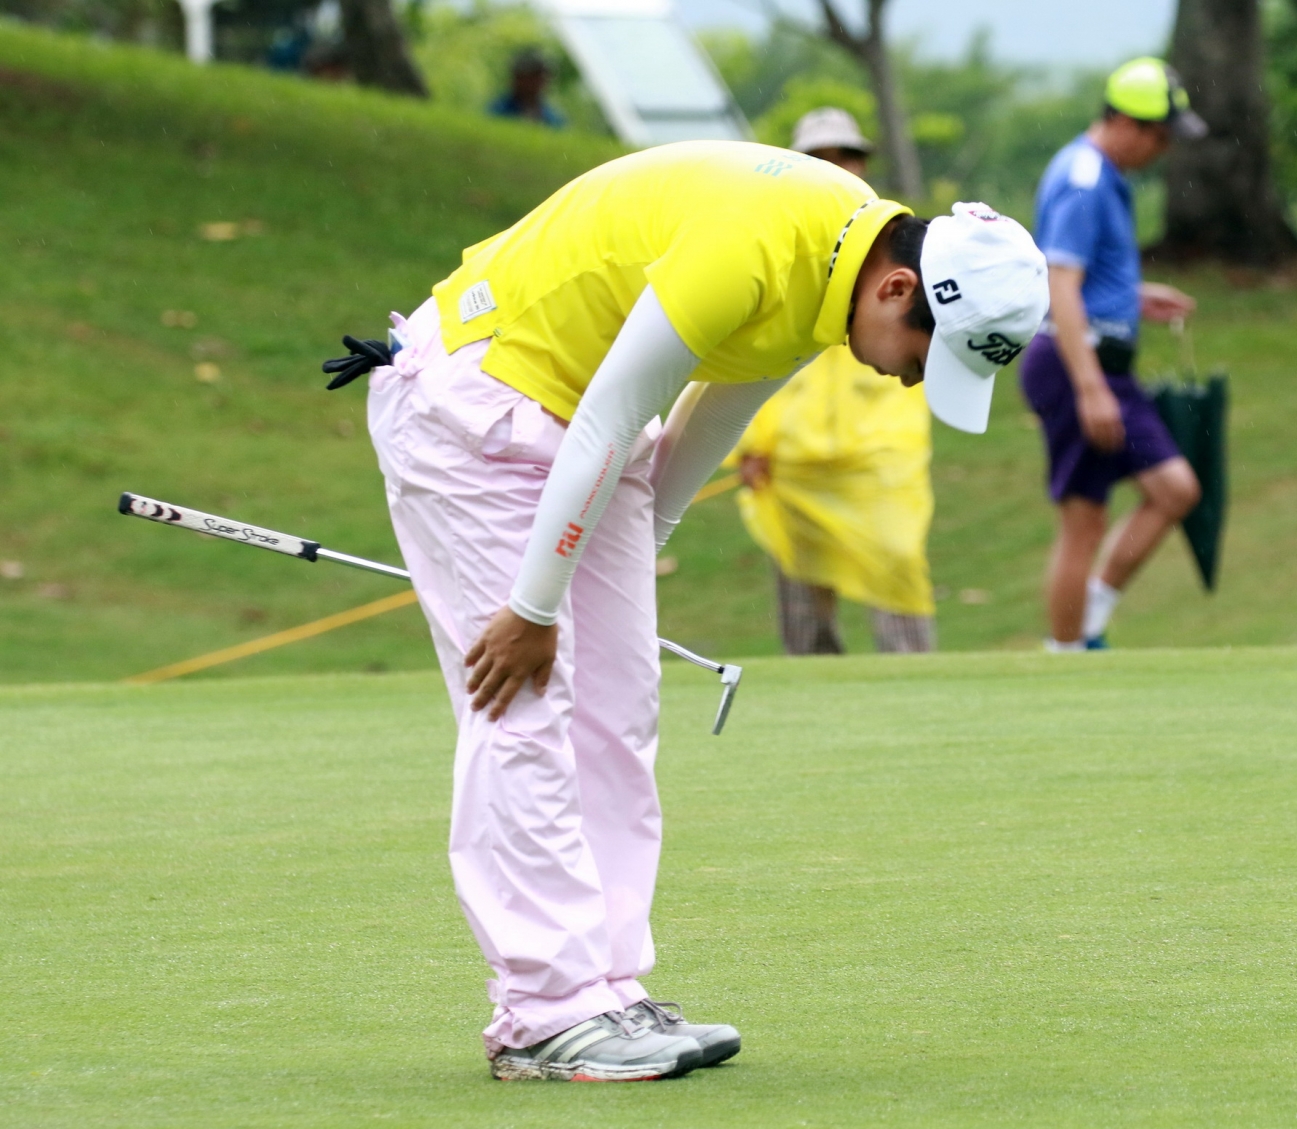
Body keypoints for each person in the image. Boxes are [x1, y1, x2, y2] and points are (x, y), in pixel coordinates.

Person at [329, 141, 1047, 1081]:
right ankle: (545, 1012)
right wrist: (537, 604)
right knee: (526, 702)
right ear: (897, 288)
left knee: (621, 702)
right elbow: (612, 413)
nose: (914, 379)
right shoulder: (754, 244)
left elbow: (717, 406)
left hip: (587, 428)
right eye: (926, 354)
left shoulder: (837, 261)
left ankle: (609, 989)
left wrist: (628, 559)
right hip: (479, 407)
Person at [733, 108, 937, 654]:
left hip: (878, 459)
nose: (834, 167)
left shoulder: (902, 247)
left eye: (845, 155)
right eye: (818, 158)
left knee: (896, 578)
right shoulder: (778, 244)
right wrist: (748, 445)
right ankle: (816, 712)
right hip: (794, 462)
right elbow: (751, 356)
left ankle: (921, 702)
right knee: (804, 614)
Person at [1020, 57, 1207, 652]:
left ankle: (1089, 619)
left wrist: (1133, 297)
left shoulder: (1103, 174)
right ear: (1125, 121)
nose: (1161, 148)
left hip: (1104, 363)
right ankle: (1067, 651)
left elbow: (1086, 279)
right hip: (1079, 365)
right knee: (1084, 520)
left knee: (1174, 489)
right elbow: (1060, 283)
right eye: (1157, 134)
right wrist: (1090, 387)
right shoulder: (1083, 178)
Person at [489, 48, 566, 127]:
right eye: (532, 76)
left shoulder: (554, 119)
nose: (539, 81)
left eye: (540, 76)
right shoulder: (498, 109)